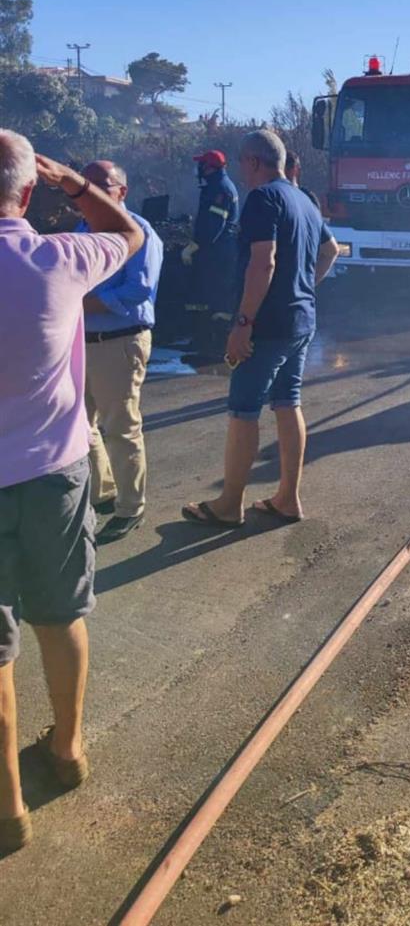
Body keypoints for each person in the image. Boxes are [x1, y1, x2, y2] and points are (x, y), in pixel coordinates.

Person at [0, 131, 143, 854]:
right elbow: (130, 230)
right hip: (55, 473)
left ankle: (7, 807)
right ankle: (68, 749)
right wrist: (72, 184)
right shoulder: (60, 257)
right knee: (60, 617)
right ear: (27, 192)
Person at [182, 131, 338, 529]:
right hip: (301, 319)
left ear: (253, 162)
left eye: (241, 164)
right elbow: (330, 250)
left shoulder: (263, 199)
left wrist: (243, 323)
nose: (240, 171)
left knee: (243, 408)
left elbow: (262, 263)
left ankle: (229, 503)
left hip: (267, 324)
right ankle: (288, 498)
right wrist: (304, 287)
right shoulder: (305, 200)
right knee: (288, 401)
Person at [78, 160, 164, 544]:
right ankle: (103, 493)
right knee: (81, 425)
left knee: (120, 428)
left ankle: (131, 507)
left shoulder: (141, 233)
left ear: (121, 192)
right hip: (81, 342)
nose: (91, 192)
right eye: (85, 184)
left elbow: (137, 292)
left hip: (120, 342)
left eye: (101, 185)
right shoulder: (81, 231)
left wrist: (85, 302)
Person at [182, 149, 240, 357]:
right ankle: (203, 339)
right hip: (215, 250)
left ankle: (216, 343)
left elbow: (214, 224)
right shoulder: (216, 186)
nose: (198, 168)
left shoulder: (220, 189)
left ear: (209, 167)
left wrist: (195, 245)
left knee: (215, 297)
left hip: (218, 253)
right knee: (206, 297)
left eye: (201, 164)